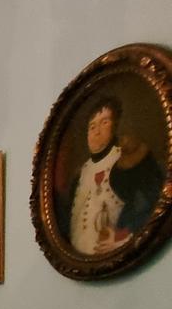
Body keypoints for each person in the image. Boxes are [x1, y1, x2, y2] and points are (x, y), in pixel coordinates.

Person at [61, 95, 165, 255]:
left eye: (104, 122)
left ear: (115, 125)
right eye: (92, 126)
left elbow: (151, 205)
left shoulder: (129, 161)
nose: (97, 131)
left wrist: (124, 239)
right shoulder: (80, 175)